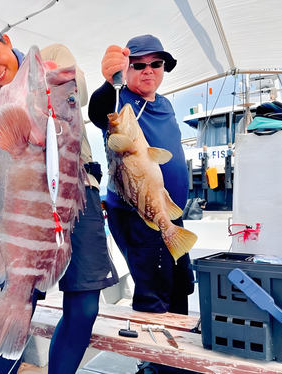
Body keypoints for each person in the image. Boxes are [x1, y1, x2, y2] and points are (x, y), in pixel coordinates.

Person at [0, 20, 118, 374]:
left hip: (79, 191)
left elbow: (78, 95)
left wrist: (56, 86)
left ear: (6, 42)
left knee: (86, 306)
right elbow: (11, 128)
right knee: (14, 293)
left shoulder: (54, 55)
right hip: (27, 205)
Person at [88, 35, 194, 315]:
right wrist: (110, 80)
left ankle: (177, 352)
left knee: (180, 283)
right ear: (126, 70)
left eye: (155, 63)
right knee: (154, 292)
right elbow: (99, 111)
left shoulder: (165, 104)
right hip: (136, 212)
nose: (148, 69)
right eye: (137, 65)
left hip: (166, 210)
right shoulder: (119, 100)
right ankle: (153, 359)